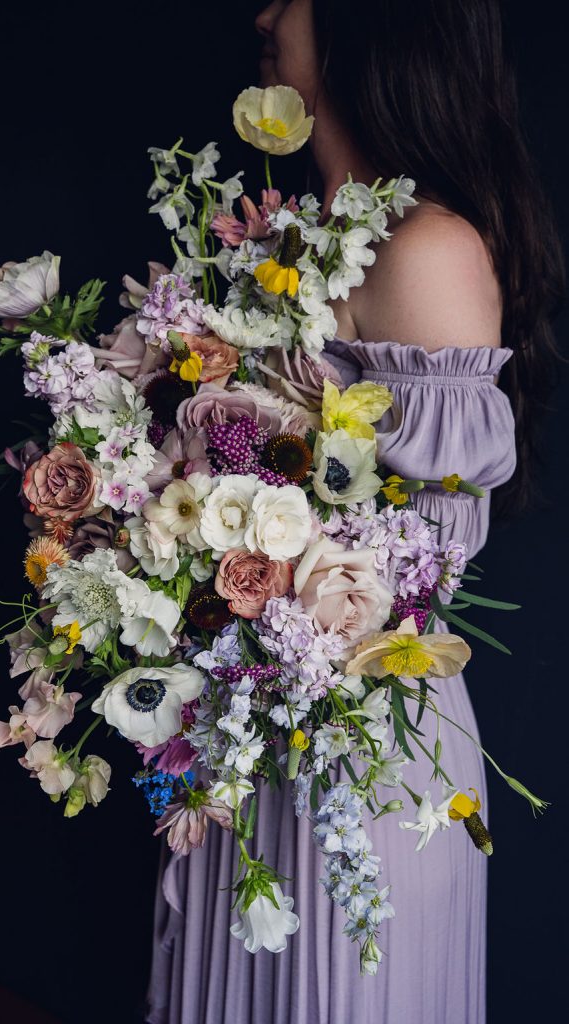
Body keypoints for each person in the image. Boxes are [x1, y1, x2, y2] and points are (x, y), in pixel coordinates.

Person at [144, 2, 565, 1021]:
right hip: (242, 738)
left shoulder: (427, 249)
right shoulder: (286, 233)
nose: (262, 10)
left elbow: (424, 561)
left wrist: (239, 557)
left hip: (361, 744)